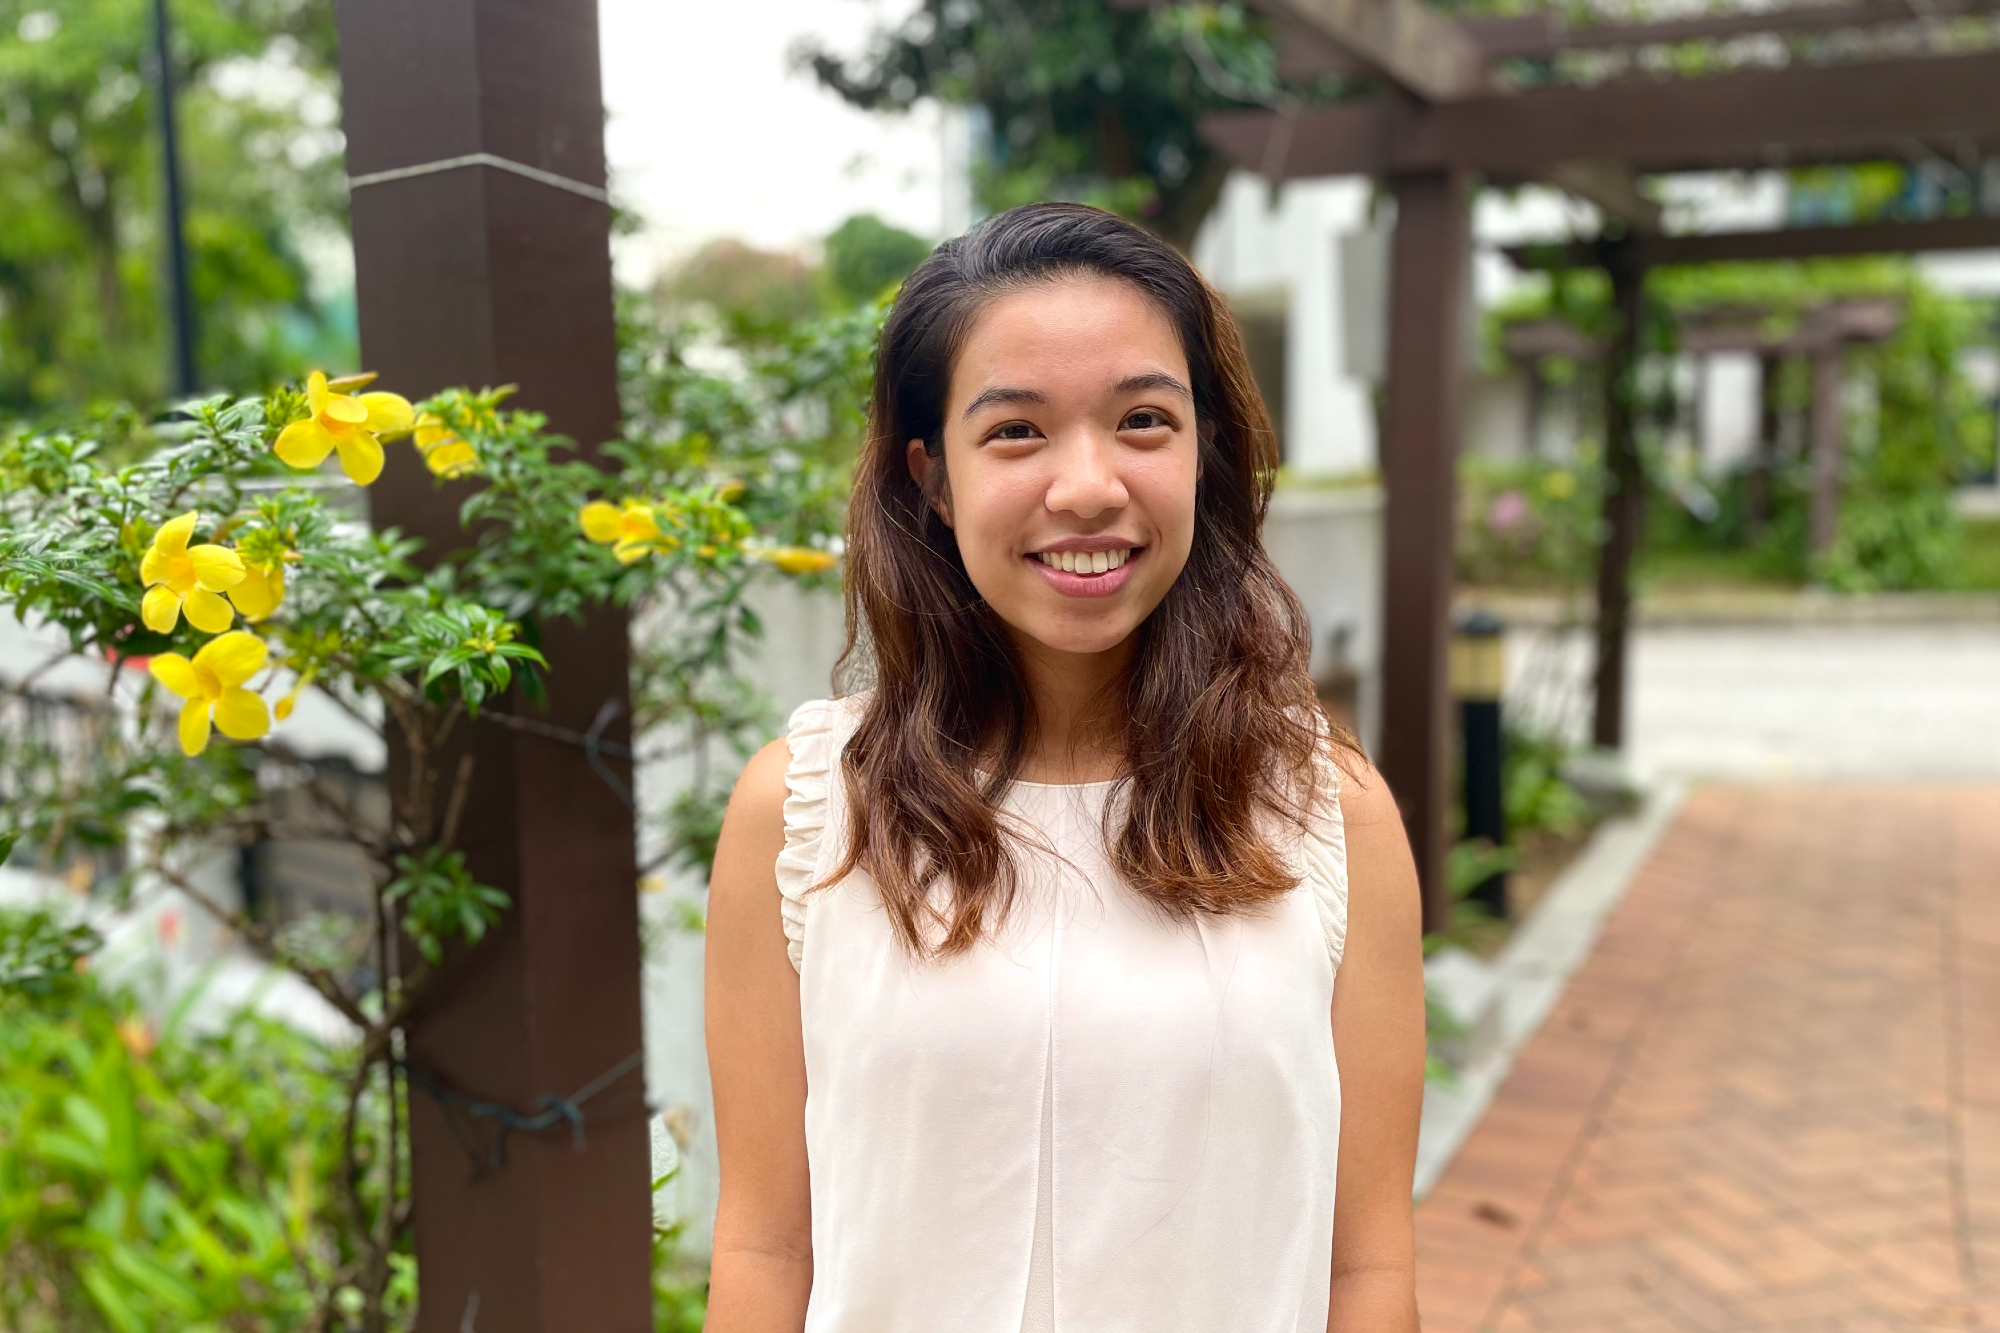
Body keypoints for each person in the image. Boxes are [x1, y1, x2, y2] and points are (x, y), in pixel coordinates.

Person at [704, 201, 1425, 1333]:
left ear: (1203, 454)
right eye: (1015, 431)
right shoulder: (801, 813)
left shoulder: (1327, 814)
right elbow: (764, 1242)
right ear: (931, 479)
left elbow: (1364, 1269)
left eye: (1143, 419)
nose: (1087, 486)